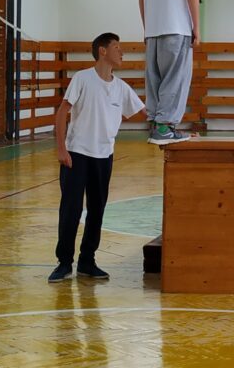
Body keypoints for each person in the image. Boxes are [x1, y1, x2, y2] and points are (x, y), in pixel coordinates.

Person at [48, 33, 145, 283]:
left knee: (97, 210)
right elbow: (62, 113)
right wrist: (61, 149)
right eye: (117, 47)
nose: (122, 52)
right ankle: (64, 262)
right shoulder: (82, 78)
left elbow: (146, 114)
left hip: (104, 157)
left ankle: (87, 261)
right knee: (70, 210)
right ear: (102, 51)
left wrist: (172, 126)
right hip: (77, 155)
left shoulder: (122, 88)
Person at [139, 0, 203, 145]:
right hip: (177, 27)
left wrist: (147, 29)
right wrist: (197, 27)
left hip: (153, 30)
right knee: (176, 78)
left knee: (155, 79)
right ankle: (165, 127)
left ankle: (157, 124)